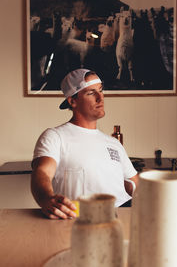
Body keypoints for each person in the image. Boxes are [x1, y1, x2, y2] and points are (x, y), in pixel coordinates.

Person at [31, 68, 138, 219]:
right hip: (83, 218)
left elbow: (136, 185)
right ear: (72, 101)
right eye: (91, 93)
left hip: (123, 214)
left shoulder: (113, 143)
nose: (100, 98)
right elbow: (42, 173)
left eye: (101, 91)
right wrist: (47, 199)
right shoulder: (55, 136)